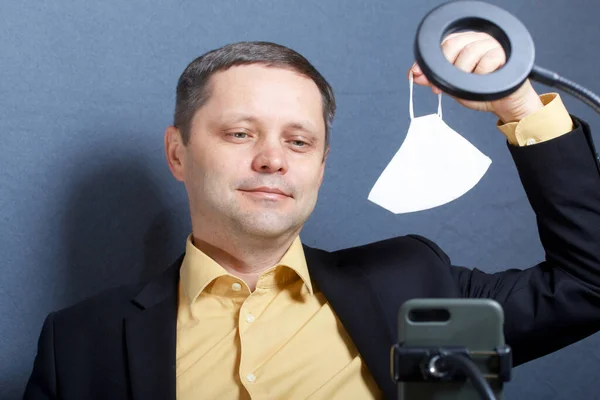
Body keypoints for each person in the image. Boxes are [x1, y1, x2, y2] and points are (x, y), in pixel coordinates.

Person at [23, 32, 600, 400]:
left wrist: (517, 103)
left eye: (299, 142)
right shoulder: (78, 344)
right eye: (241, 133)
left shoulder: (414, 284)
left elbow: (588, 284)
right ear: (178, 152)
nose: (272, 158)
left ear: (321, 166)